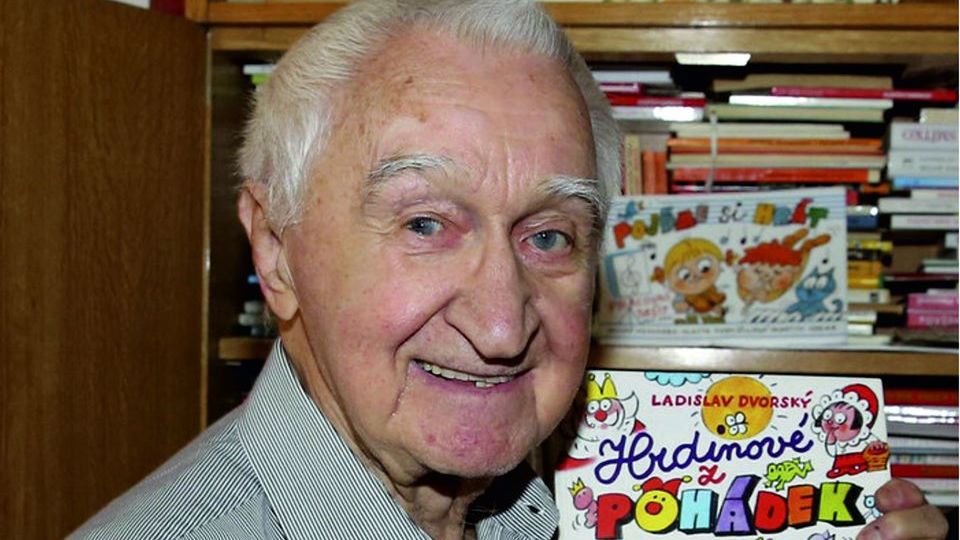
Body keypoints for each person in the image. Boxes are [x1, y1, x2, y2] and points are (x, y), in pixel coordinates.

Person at [72, 1, 949, 539]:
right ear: (275, 251)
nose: (502, 326)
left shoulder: (568, 512)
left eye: (550, 237)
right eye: (425, 223)